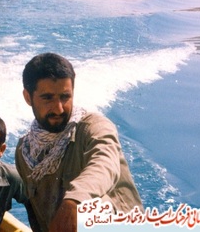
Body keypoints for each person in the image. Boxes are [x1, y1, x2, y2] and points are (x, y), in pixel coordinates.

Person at [15, 53, 143, 232]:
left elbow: (104, 163)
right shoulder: (25, 152)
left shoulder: (95, 127)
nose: (59, 108)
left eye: (65, 97)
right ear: (28, 97)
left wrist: (75, 199)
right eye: (48, 98)